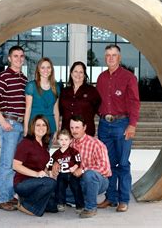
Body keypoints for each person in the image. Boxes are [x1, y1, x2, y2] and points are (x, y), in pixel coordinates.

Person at [96, 44, 140, 213]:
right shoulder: (101, 78)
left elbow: (135, 102)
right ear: (105, 57)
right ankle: (111, 197)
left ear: (119, 58)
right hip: (104, 125)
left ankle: (123, 199)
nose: (111, 58)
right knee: (108, 164)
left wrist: (132, 125)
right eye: (108, 55)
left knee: (122, 164)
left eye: (114, 55)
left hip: (122, 124)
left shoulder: (129, 77)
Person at [0, 45, 27, 211]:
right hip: (9, 124)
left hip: (21, 125)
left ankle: (10, 196)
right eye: (15, 56)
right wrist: (3, 121)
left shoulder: (24, 79)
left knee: (14, 163)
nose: (18, 59)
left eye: (21, 56)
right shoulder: (2, 77)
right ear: (9, 58)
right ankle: (3, 198)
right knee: (6, 163)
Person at [54, 115, 111, 218]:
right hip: (76, 182)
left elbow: (105, 168)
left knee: (89, 175)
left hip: (98, 181)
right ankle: (84, 199)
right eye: (72, 128)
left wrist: (84, 170)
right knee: (55, 186)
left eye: (77, 127)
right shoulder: (69, 144)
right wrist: (56, 164)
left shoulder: (96, 144)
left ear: (84, 127)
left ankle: (91, 207)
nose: (74, 131)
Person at [13, 115, 58, 216]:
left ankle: (28, 200)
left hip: (37, 183)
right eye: (38, 125)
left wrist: (50, 173)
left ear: (47, 128)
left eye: (44, 125)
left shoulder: (44, 144)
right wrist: (36, 174)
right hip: (23, 183)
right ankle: (26, 205)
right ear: (32, 127)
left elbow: (41, 165)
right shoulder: (26, 143)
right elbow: (16, 166)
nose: (41, 128)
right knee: (50, 184)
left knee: (53, 207)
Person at [59, 61, 101, 136]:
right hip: (67, 134)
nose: (78, 74)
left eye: (81, 72)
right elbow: (60, 110)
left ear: (84, 75)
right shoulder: (64, 91)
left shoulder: (92, 91)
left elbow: (99, 108)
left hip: (85, 133)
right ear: (71, 73)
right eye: (75, 71)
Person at [23, 57, 60, 143]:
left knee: (44, 155)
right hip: (34, 127)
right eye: (42, 67)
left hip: (50, 128)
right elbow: (28, 109)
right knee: (33, 155)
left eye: (48, 67)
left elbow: (56, 110)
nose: (46, 70)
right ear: (38, 70)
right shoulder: (31, 86)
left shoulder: (56, 87)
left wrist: (56, 130)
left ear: (51, 70)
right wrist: (25, 128)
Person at [47, 129, 84, 213]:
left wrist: (75, 166)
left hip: (72, 174)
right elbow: (51, 163)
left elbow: (78, 161)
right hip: (62, 174)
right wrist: (50, 172)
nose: (64, 142)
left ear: (70, 140)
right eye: (61, 139)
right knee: (59, 188)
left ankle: (80, 205)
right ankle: (61, 203)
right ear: (58, 141)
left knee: (76, 188)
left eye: (66, 139)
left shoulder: (73, 151)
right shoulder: (56, 153)